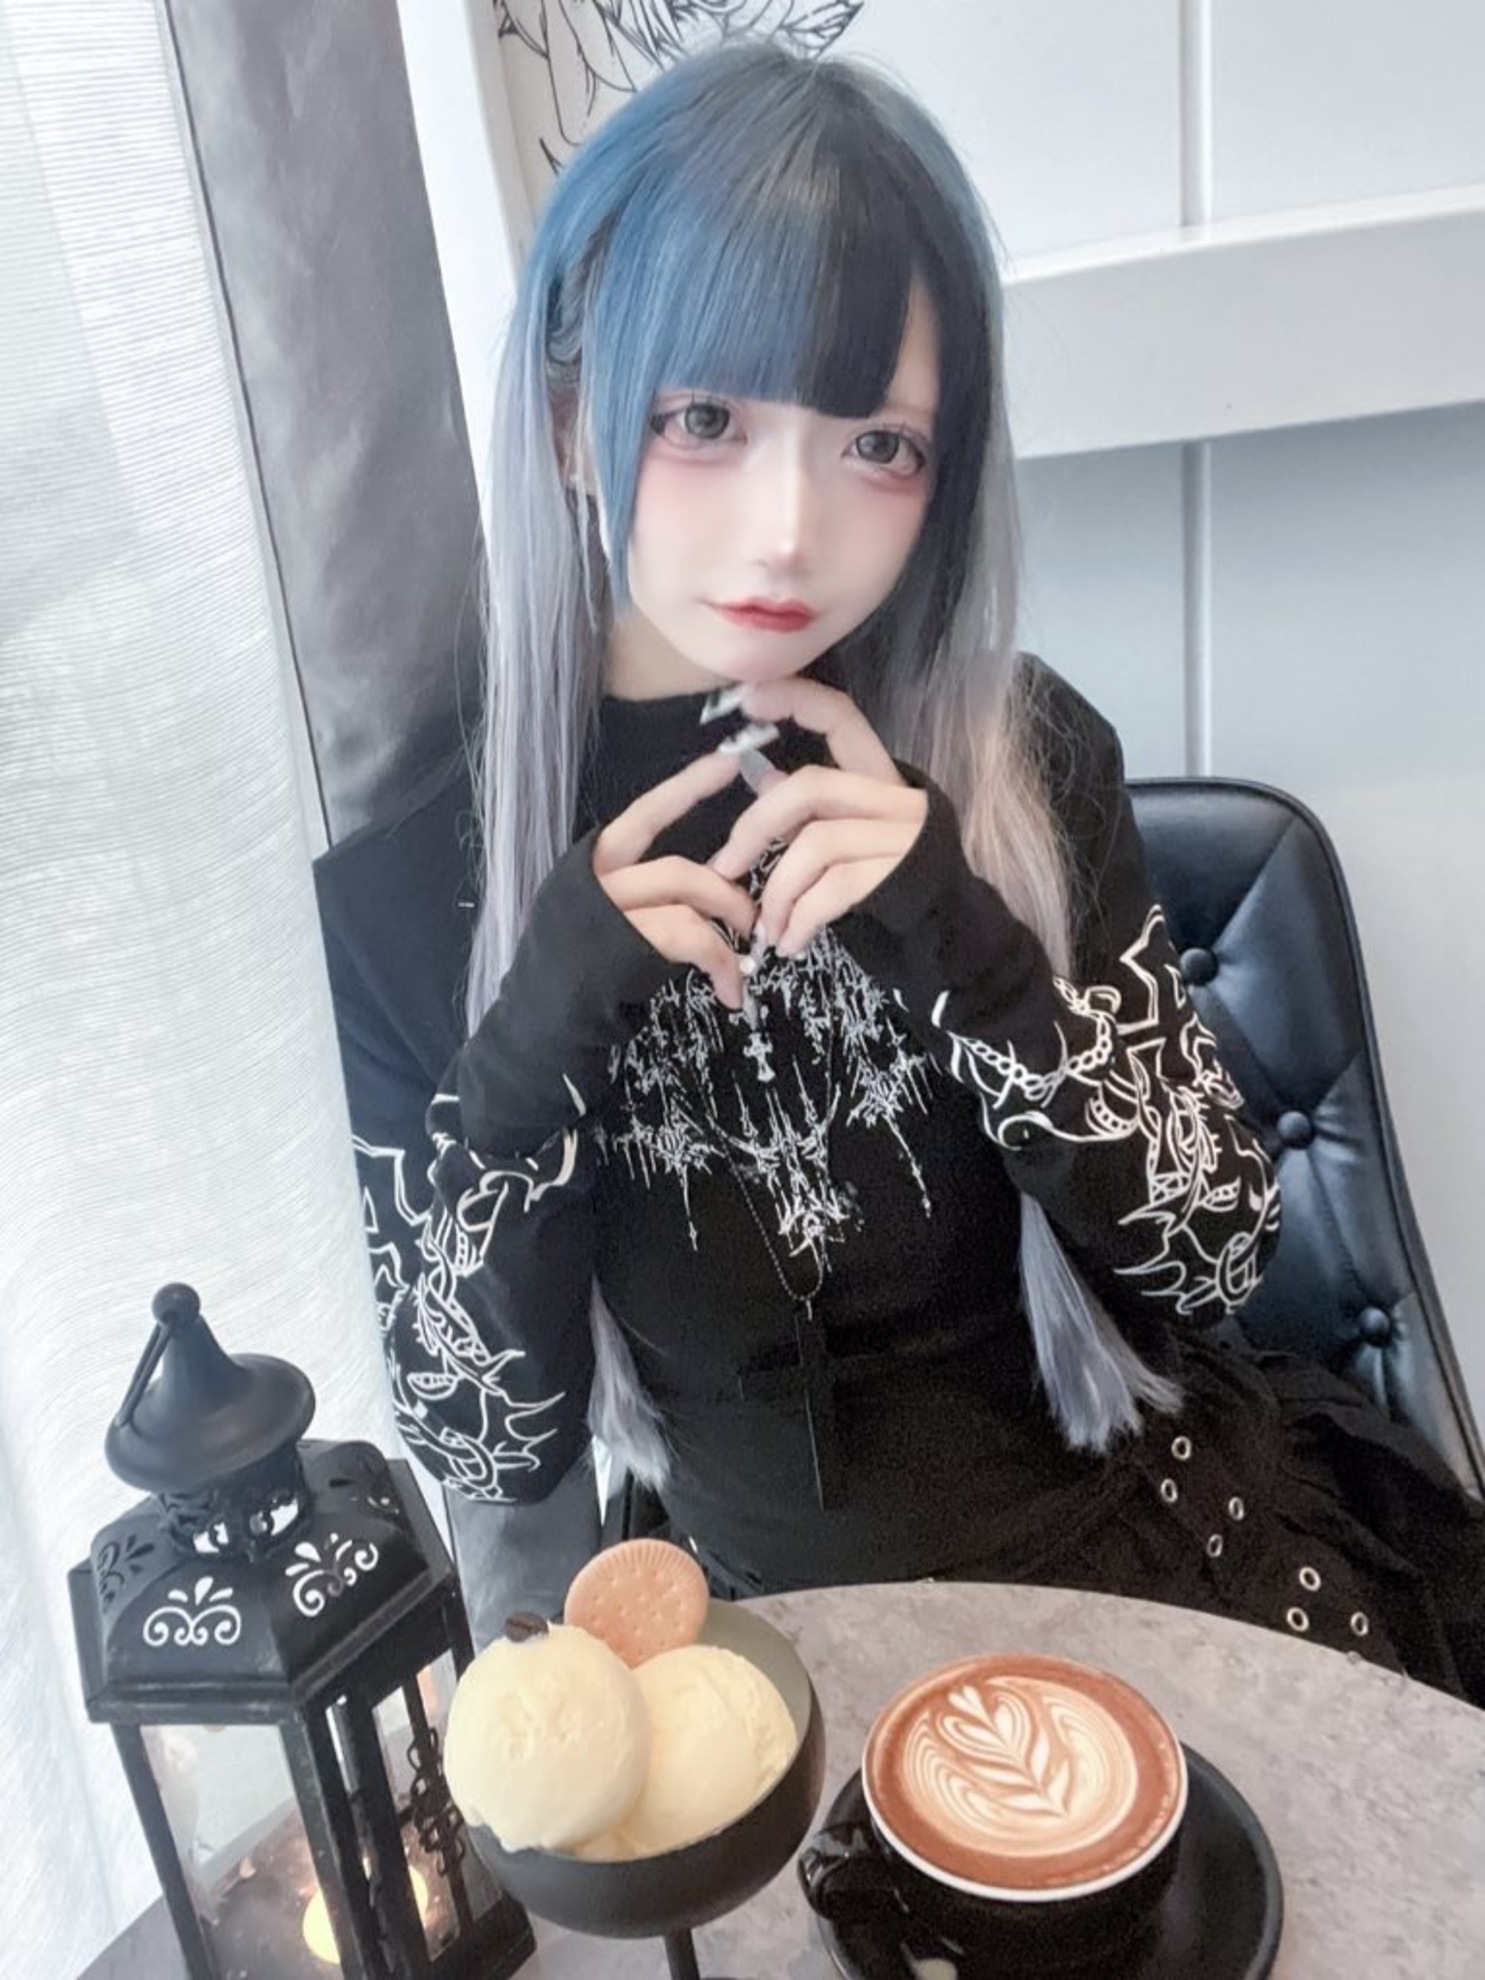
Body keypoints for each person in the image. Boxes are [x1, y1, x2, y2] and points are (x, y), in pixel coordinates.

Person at [316, 40, 1484, 1697]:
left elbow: (1216, 1256)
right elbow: (478, 1439)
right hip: (761, 1679)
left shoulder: (1018, 753)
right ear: (572, 421)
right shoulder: (413, 891)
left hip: (1151, 1582)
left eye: (876, 444)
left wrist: (974, 951)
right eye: (705, 420)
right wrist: (531, 1041)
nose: (790, 530)